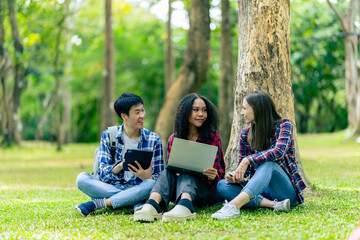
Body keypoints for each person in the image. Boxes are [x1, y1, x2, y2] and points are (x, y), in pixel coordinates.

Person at [211, 91, 306, 220]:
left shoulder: (284, 125)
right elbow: (245, 170)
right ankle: (273, 205)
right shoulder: (246, 134)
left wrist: (247, 160)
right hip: (260, 190)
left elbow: (279, 151)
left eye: (244, 108)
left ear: (257, 108)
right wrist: (235, 175)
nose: (241, 112)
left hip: (284, 190)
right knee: (222, 185)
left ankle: (233, 206)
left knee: (269, 165)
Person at [134, 93, 226, 222]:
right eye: (196, 110)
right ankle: (152, 204)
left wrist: (213, 175)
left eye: (204, 110)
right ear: (185, 112)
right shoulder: (174, 138)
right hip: (179, 189)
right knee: (168, 172)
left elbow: (220, 174)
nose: (201, 114)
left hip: (204, 191)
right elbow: (171, 169)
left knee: (187, 174)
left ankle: (185, 206)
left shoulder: (213, 137)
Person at [75, 93, 164, 217]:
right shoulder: (109, 135)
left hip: (141, 186)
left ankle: (100, 203)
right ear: (124, 116)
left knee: (151, 184)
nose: (142, 115)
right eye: (137, 112)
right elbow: (101, 173)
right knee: (81, 179)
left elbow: (160, 178)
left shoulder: (153, 140)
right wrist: (120, 166)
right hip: (113, 187)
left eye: (143, 111)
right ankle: (134, 201)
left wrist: (147, 177)